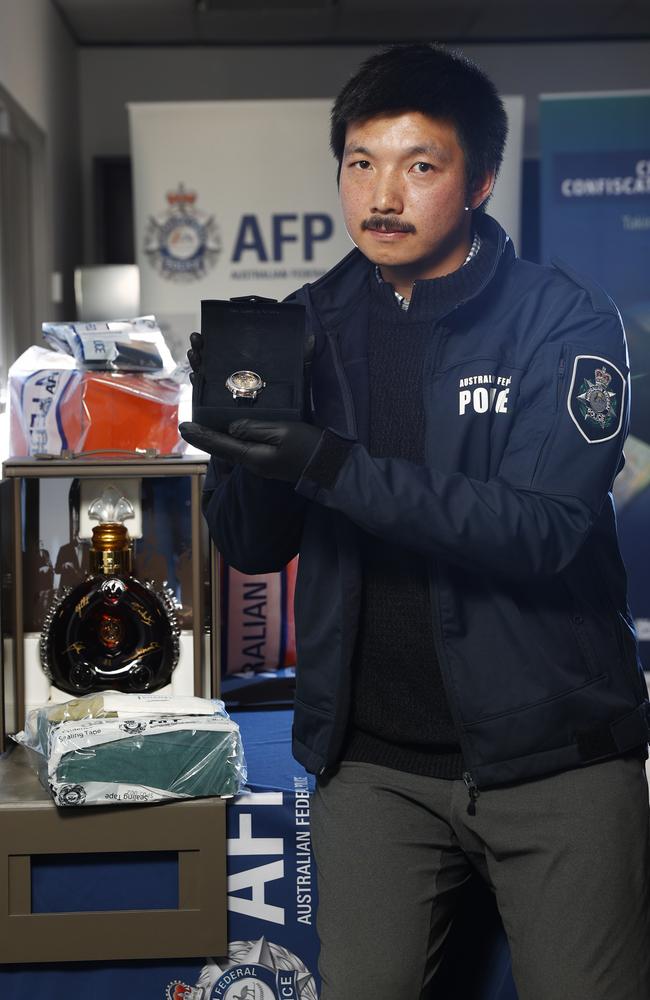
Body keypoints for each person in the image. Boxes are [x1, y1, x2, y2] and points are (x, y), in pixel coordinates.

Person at [180, 43, 650, 1000]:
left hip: (557, 759)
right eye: (360, 162)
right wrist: (245, 436)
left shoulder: (564, 323)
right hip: (372, 768)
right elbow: (254, 546)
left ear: (477, 179)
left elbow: (544, 530)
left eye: (418, 165)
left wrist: (325, 460)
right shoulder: (306, 323)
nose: (381, 193)